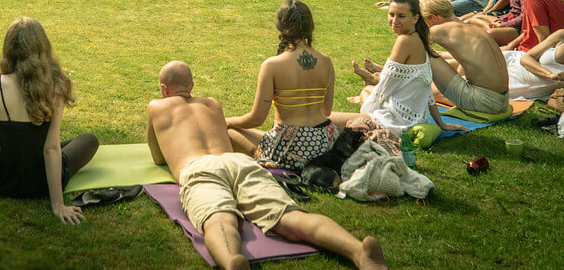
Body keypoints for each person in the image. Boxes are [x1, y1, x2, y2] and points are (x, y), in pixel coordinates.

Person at [147, 61, 389, 270]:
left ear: (163, 88)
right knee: (287, 214)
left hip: (198, 167)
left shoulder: (156, 107)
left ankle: (232, 260)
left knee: (219, 216)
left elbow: (158, 157)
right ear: (191, 86)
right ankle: (358, 250)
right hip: (237, 162)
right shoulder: (212, 103)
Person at [0, 17, 99, 223]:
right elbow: (51, 148)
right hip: (40, 182)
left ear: (9, 48)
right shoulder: (57, 85)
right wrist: (57, 204)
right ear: (43, 47)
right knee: (89, 140)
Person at [224, 0, 339, 169]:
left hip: (293, 146)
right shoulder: (326, 61)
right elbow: (326, 111)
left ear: (280, 26)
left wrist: (226, 121)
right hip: (327, 141)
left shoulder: (272, 65)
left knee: (228, 133)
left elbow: (257, 118)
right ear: (310, 26)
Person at [333, 0, 460, 135]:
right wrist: (442, 124)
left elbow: (384, 88)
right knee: (367, 90)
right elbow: (427, 91)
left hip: (396, 122)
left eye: (401, 16)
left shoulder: (404, 41)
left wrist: (365, 115)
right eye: (391, 14)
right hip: (416, 119)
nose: (394, 20)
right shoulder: (418, 38)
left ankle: (368, 85)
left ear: (415, 18)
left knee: (326, 120)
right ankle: (368, 83)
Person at [417, 0, 509, 115]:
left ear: (434, 18)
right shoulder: (474, 29)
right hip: (503, 100)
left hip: (485, 102)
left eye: (425, 22)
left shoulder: (440, 29)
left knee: (424, 59)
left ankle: (386, 77)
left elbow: (411, 45)